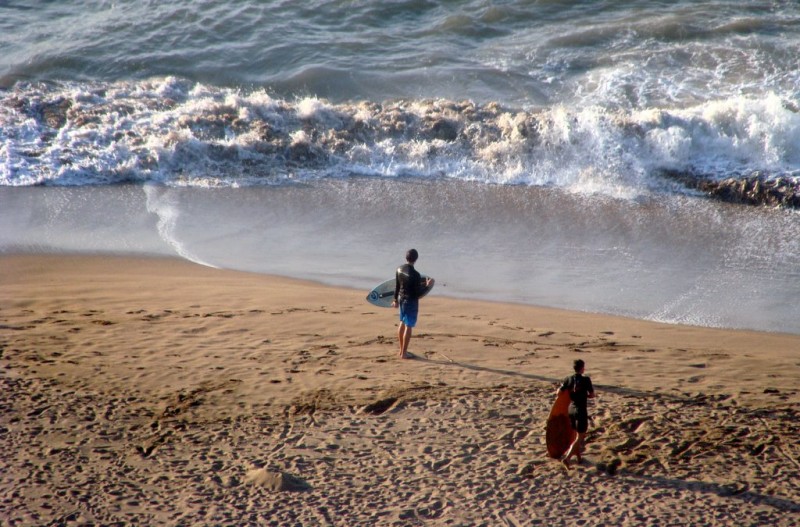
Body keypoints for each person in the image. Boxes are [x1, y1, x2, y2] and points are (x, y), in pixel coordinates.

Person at [390, 249, 434, 359]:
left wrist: (395, 300)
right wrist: (428, 285)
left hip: (401, 299)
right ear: (416, 259)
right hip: (411, 301)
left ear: (406, 257)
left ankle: (401, 351)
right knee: (409, 326)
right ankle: (404, 353)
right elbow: (418, 293)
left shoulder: (399, 269)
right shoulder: (415, 275)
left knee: (402, 322)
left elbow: (397, 286)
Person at [558, 359, 595, 467]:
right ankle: (567, 458)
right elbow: (592, 395)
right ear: (582, 368)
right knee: (580, 436)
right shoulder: (586, 379)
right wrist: (585, 396)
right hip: (580, 410)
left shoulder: (568, 379)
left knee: (576, 435)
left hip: (571, 409)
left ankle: (579, 458)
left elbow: (558, 393)